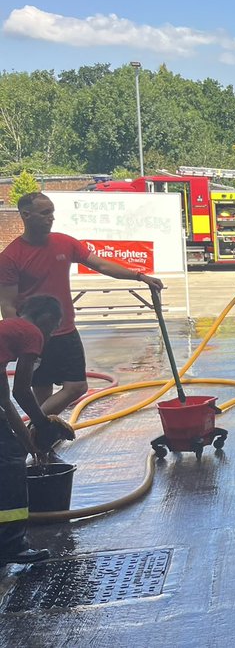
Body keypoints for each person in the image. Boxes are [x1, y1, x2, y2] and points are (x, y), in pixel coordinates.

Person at [0, 192, 164, 418]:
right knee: (42, 392)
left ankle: (33, 430)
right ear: (26, 215)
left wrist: (139, 276)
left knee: (77, 386)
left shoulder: (64, 243)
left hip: (66, 331)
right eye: (45, 213)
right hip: (35, 337)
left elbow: (102, 265)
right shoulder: (11, 257)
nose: (51, 218)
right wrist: (20, 339)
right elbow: (7, 304)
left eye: (52, 213)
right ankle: (41, 442)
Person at [0, 295, 65, 564]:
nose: (49, 335)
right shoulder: (32, 333)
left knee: (10, 452)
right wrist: (42, 423)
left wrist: (29, 446)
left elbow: (5, 400)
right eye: (53, 328)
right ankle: (11, 546)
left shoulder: (7, 330)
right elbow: (22, 391)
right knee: (9, 467)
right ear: (46, 318)